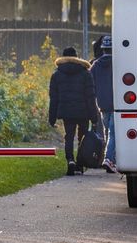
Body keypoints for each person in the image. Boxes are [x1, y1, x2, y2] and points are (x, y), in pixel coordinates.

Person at [48, 46, 100, 176]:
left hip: (67, 112)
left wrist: (52, 118)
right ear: (76, 58)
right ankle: (80, 163)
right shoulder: (85, 73)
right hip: (83, 112)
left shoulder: (56, 74)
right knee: (82, 138)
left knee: (69, 137)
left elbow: (53, 98)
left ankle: (70, 160)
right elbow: (90, 97)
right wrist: (94, 118)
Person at [89, 35, 116, 172]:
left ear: (103, 49)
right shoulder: (118, 64)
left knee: (107, 130)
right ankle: (109, 159)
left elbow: (89, 83)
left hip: (102, 104)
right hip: (117, 104)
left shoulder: (95, 65)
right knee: (113, 133)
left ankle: (110, 158)